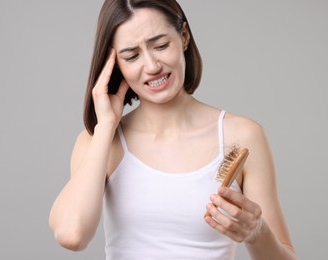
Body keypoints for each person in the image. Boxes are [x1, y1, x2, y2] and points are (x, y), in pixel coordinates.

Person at [49, 0, 297, 259]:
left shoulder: (241, 136)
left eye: (161, 45)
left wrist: (257, 232)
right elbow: (71, 234)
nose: (152, 66)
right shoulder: (99, 142)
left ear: (184, 37)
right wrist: (106, 126)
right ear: (113, 64)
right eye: (131, 56)